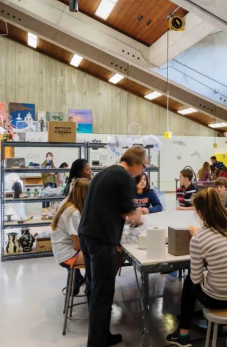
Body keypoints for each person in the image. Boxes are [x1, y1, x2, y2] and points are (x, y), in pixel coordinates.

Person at [78, 146, 146, 347]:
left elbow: (111, 206)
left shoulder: (105, 173)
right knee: (103, 293)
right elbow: (128, 212)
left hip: (87, 235)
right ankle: (97, 342)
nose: (142, 171)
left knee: (94, 288)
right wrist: (137, 215)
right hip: (102, 240)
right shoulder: (124, 177)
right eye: (142, 166)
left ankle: (101, 335)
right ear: (135, 163)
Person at [166, 188, 227, 347]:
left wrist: (198, 237)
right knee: (226, 275)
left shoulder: (199, 238)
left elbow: (196, 279)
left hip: (217, 299)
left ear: (200, 213)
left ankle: (183, 334)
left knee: (189, 282)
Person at [51, 178, 90, 296]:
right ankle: (91, 288)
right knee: (104, 257)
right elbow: (78, 245)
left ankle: (84, 281)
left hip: (64, 250)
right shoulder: (73, 213)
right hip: (67, 255)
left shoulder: (68, 202)